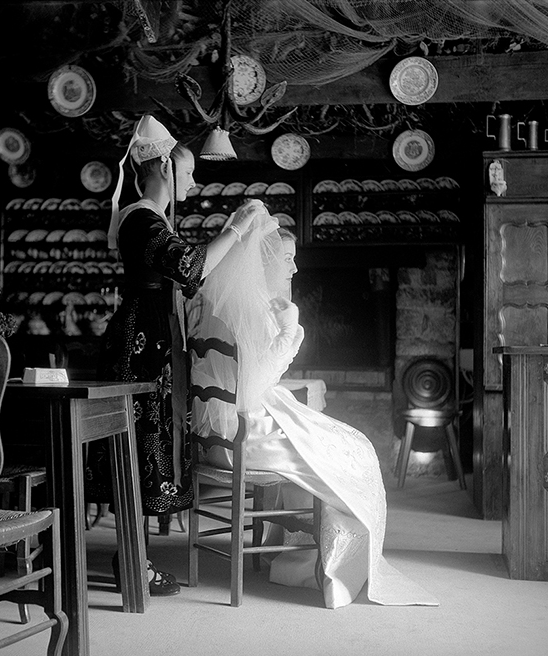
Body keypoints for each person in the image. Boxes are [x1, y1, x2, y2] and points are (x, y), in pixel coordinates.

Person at [187, 214, 439, 609]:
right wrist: (291, 331)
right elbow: (251, 391)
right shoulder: (251, 311)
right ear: (264, 260)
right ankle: (331, 567)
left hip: (217, 433)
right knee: (353, 455)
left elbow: (239, 380)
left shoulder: (221, 304)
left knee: (341, 441)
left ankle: (304, 556)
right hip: (241, 437)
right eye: (287, 257)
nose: (294, 267)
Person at [91, 114, 266, 596]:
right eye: (187, 172)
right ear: (163, 168)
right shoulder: (143, 218)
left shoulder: (148, 218)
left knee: (149, 442)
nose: (191, 181)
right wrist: (237, 227)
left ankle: (133, 553)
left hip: (152, 343)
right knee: (142, 445)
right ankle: (134, 558)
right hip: (142, 349)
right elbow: (192, 266)